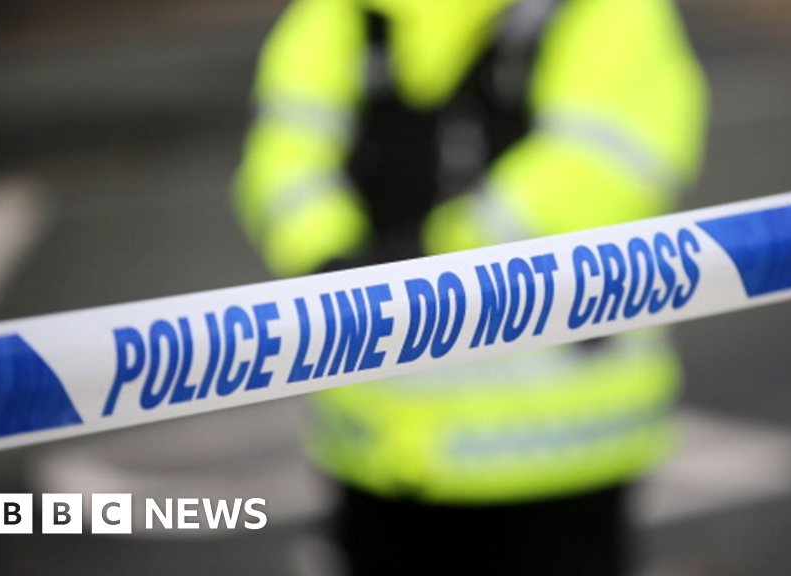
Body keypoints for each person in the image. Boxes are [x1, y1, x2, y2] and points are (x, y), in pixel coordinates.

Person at [233, 0, 708, 574]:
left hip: (557, 448)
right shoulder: (339, 14)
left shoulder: (602, 11)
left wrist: (431, 259)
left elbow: (604, 169)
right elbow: (284, 154)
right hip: (379, 447)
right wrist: (329, 260)